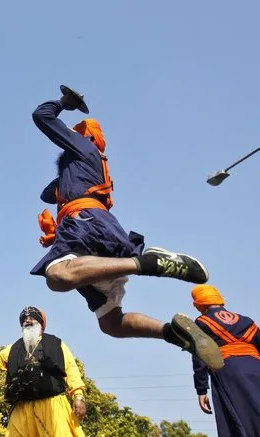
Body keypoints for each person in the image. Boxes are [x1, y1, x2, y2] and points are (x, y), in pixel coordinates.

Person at [28, 88, 223, 370]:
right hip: (100, 227)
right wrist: (61, 184)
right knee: (111, 323)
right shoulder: (82, 167)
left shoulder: (84, 148)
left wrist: (63, 103)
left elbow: (41, 116)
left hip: (85, 222)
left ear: (84, 137)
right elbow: (47, 193)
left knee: (57, 276)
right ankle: (172, 333)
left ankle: (147, 263)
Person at [0, 306, 86, 436]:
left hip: (52, 405)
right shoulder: (14, 348)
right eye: (24, 319)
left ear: (41, 324)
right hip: (22, 410)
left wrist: (78, 396)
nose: (27, 320)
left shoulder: (56, 344)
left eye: (32, 318)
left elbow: (72, 370)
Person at [190, 284, 260, 436]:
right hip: (256, 367)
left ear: (199, 303)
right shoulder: (247, 321)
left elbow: (200, 356)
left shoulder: (202, 322)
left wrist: (201, 390)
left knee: (238, 419)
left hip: (229, 371)